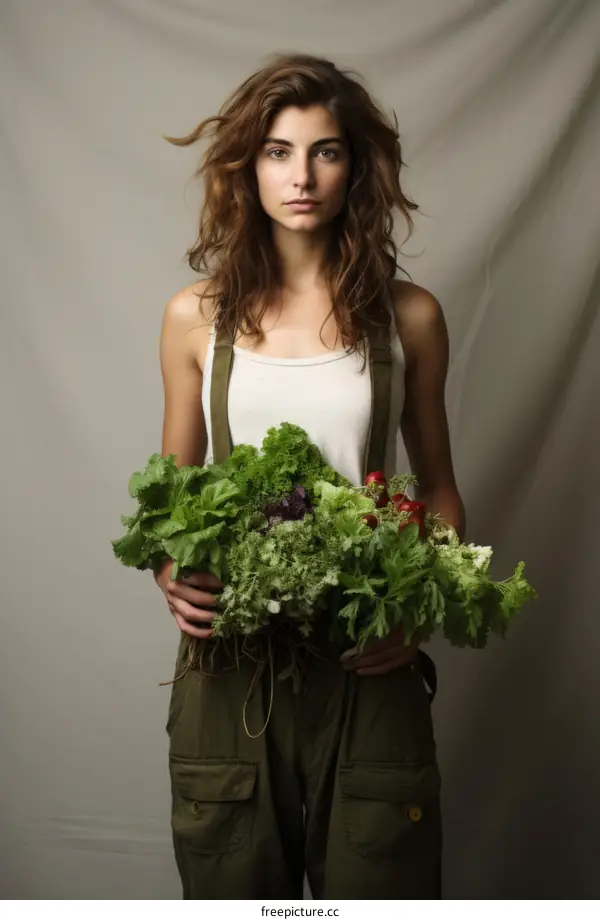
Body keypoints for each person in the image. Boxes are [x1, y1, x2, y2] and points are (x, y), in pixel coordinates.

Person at [154, 53, 466, 900]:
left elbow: (438, 488)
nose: (302, 176)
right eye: (278, 151)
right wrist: (170, 574)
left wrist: (417, 607)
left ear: (355, 168)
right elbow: (168, 500)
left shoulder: (409, 316)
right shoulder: (196, 317)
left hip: (369, 656)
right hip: (232, 662)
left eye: (326, 151)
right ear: (247, 167)